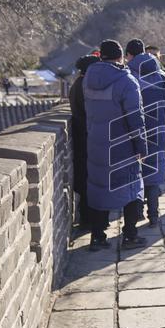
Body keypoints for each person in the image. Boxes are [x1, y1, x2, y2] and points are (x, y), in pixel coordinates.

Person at [82, 39, 149, 250]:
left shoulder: (88, 79)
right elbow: (136, 118)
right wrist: (142, 147)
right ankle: (130, 235)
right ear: (121, 56)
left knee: (100, 188)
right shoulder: (126, 82)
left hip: (95, 144)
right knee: (132, 188)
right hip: (122, 146)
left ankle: (97, 236)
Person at [126, 38, 165, 228]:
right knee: (153, 175)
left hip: (136, 133)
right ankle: (154, 215)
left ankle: (137, 214)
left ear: (130, 55)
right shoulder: (162, 76)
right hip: (158, 131)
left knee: (135, 175)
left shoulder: (129, 76)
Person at [68, 54, 100, 229]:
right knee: (88, 181)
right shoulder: (83, 87)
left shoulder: (79, 85)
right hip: (85, 138)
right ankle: (88, 220)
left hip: (83, 138)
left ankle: (87, 217)